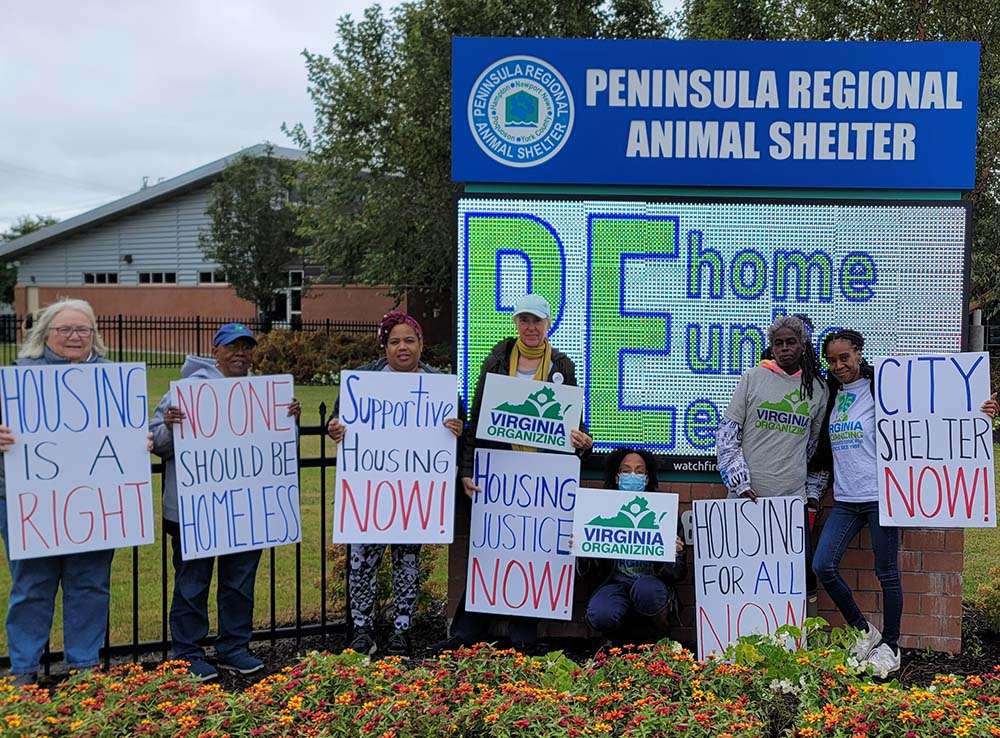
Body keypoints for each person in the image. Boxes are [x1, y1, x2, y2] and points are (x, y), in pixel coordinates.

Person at [811, 329, 998, 678]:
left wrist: (980, 410)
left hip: (883, 497)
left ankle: (891, 647)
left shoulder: (882, 388)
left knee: (887, 574)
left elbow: (934, 408)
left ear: (859, 354)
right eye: (832, 360)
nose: (839, 366)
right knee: (823, 565)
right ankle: (864, 630)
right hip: (846, 500)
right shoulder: (832, 395)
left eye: (845, 358)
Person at [150, 322, 301, 681]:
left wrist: (289, 421)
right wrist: (170, 426)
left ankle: (234, 648)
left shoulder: (265, 394)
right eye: (233, 346)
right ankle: (187, 653)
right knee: (192, 584)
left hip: (246, 511)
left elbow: (282, 451)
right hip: (194, 511)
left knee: (239, 582)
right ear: (215, 350)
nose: (241, 353)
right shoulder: (185, 392)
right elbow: (155, 443)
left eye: (247, 347)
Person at [448, 293, 594, 650]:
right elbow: (479, 419)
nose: (531, 328)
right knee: (493, 546)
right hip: (499, 471)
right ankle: (469, 626)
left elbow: (573, 421)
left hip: (542, 475)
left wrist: (583, 439)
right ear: (516, 323)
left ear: (548, 325)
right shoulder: (497, 361)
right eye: (524, 320)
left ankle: (523, 630)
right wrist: (467, 469)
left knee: (533, 549)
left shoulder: (563, 365)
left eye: (537, 321)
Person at [327, 311, 464, 657]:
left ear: (421, 344)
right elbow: (339, 421)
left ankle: (402, 630)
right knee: (361, 561)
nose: (402, 347)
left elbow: (458, 433)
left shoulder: (439, 386)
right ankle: (362, 631)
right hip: (370, 490)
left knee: (407, 563)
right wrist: (335, 428)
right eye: (394, 341)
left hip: (412, 494)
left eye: (409, 340)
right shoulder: (364, 381)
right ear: (384, 347)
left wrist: (456, 430)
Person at [0, 299, 117, 685]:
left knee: (90, 585)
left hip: (94, 502)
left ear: (94, 336)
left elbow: (125, 438)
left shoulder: (113, 381)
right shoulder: (17, 379)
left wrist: (139, 440)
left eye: (82, 330)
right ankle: (24, 671)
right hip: (28, 502)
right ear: (45, 334)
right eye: (64, 329)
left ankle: (84, 669)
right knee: (32, 585)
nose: (74, 337)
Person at [717, 315, 827, 507]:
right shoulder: (752, 377)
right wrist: (739, 482)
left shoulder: (818, 389)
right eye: (778, 343)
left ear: (803, 345)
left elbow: (814, 446)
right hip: (746, 494)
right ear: (772, 348)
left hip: (792, 498)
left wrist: (811, 494)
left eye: (791, 342)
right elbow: (727, 435)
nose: (784, 348)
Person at [582, 448, 687, 641]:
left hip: (650, 584)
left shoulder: (665, 514)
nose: (633, 476)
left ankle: (659, 638)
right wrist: (581, 546)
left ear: (647, 479)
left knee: (645, 589)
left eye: (639, 472)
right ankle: (616, 642)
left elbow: (678, 574)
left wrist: (674, 555)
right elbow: (588, 571)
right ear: (616, 477)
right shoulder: (602, 511)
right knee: (601, 613)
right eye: (626, 470)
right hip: (614, 584)